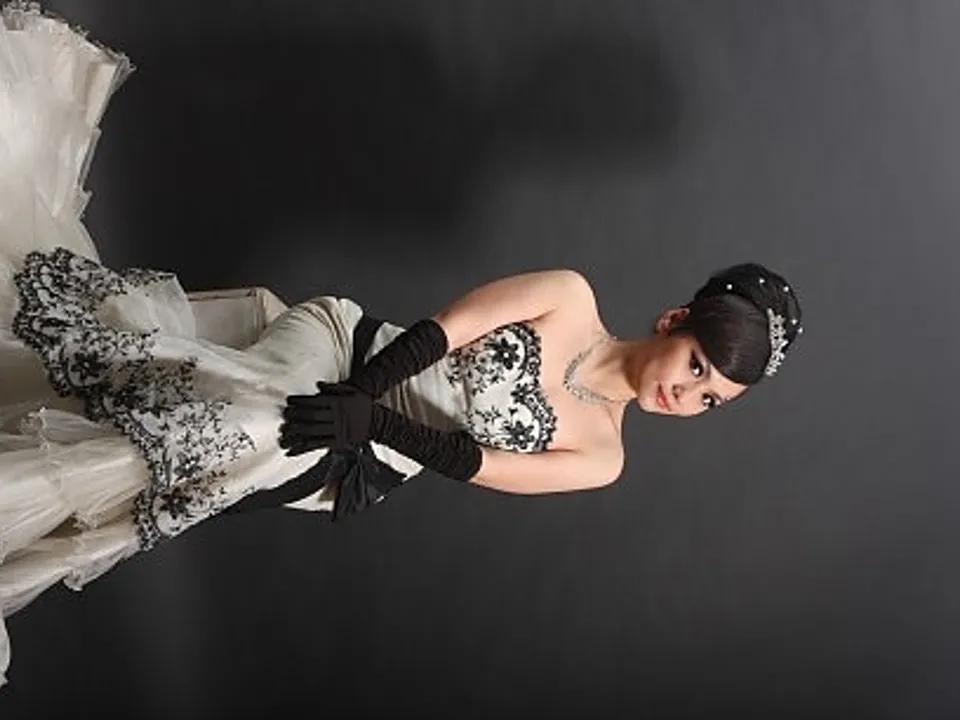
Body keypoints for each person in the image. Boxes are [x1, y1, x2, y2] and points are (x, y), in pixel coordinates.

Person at [0, 3, 803, 689]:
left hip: (368, 454)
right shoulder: (570, 296)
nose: (686, 395)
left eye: (709, 400)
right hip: (346, 353)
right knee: (257, 421)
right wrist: (360, 393)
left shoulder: (602, 454)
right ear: (673, 321)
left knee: (227, 447)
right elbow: (446, 328)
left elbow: (472, 463)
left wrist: (371, 424)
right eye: (696, 366)